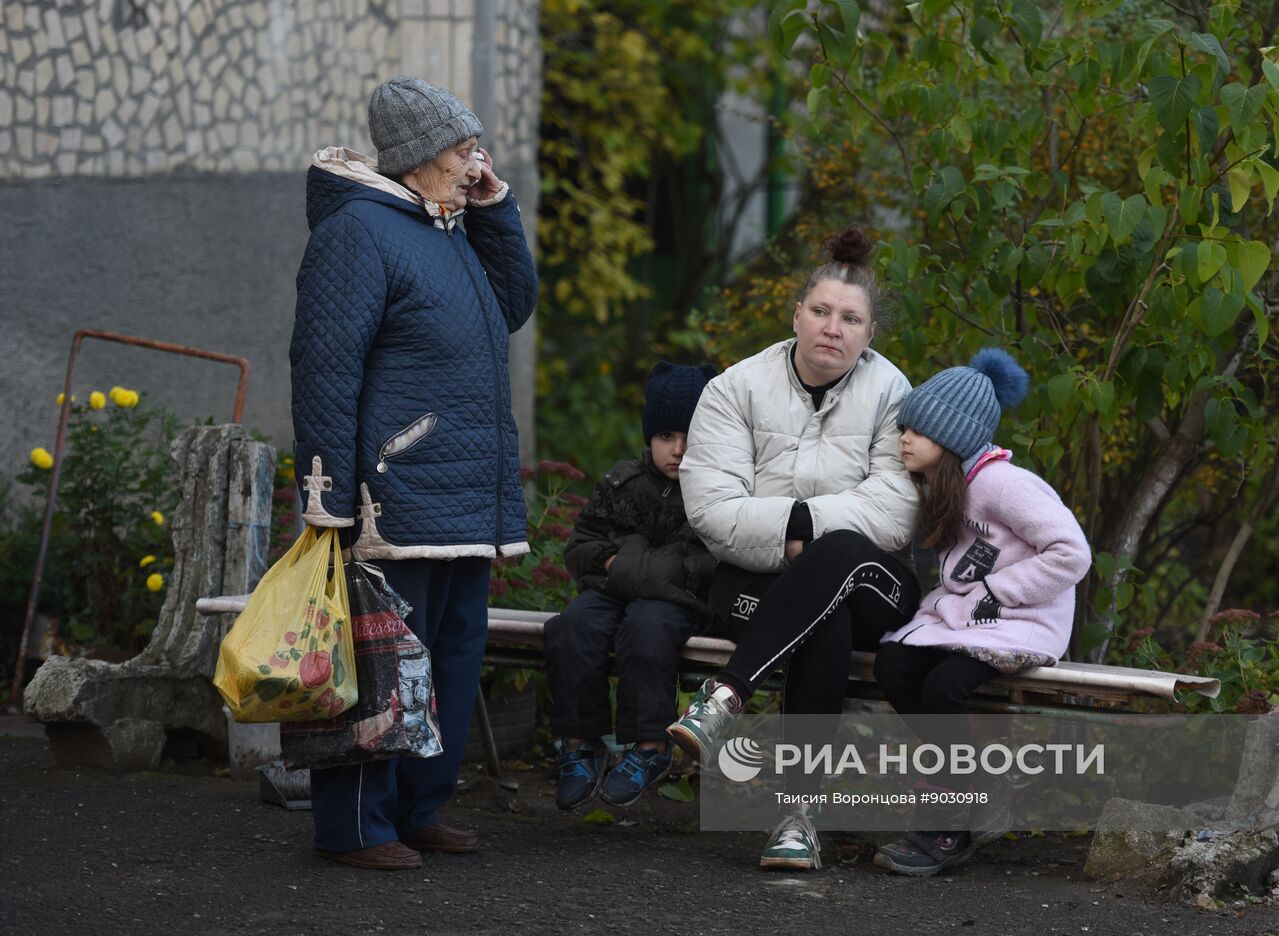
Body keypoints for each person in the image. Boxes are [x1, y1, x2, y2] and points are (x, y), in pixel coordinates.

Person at [290, 76, 538, 871]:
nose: (475, 165)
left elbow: (513, 306)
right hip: (391, 497)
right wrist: (325, 493)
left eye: (475, 152)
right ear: (417, 158)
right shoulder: (359, 231)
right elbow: (325, 366)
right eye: (464, 152)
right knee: (381, 661)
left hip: (466, 495)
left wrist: (497, 211)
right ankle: (357, 827)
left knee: (451, 657)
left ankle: (421, 807)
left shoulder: (448, 227)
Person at [666, 226, 920, 870]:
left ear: (869, 334)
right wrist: (806, 534)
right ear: (796, 314)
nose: (833, 328)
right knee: (821, 618)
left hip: (874, 588)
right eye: (821, 311)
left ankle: (723, 697)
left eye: (851, 318)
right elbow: (712, 510)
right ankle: (798, 815)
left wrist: (800, 526)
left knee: (838, 562)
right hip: (755, 583)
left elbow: (894, 514)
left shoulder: (894, 395)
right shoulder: (734, 389)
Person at [873, 349, 1091, 875]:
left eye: (918, 431)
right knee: (894, 665)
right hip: (976, 616)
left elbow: (1071, 553)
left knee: (944, 686)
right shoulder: (949, 487)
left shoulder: (1003, 485)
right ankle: (975, 779)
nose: (905, 438)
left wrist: (996, 591)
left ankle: (948, 818)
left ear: (952, 438)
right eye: (904, 426)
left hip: (1024, 619)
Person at [545, 361, 719, 810]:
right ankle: (580, 742)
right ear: (650, 437)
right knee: (572, 626)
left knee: (646, 629)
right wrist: (609, 563)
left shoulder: (715, 490)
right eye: (666, 438)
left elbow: (707, 561)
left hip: (674, 603)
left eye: (689, 438)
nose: (678, 450)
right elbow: (583, 544)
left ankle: (649, 748)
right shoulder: (622, 481)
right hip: (608, 591)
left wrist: (626, 564)